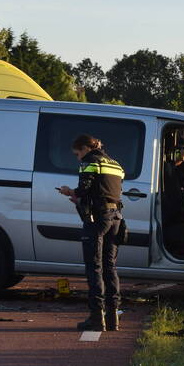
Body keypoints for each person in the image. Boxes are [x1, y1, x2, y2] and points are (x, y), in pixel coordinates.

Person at [58, 134, 125, 331]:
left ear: (85, 148)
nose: (78, 158)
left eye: (77, 153)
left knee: (94, 267)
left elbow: (84, 189)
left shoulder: (90, 162)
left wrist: (70, 192)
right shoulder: (115, 164)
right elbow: (111, 190)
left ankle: (96, 318)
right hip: (116, 217)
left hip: (98, 218)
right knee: (110, 267)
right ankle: (113, 318)